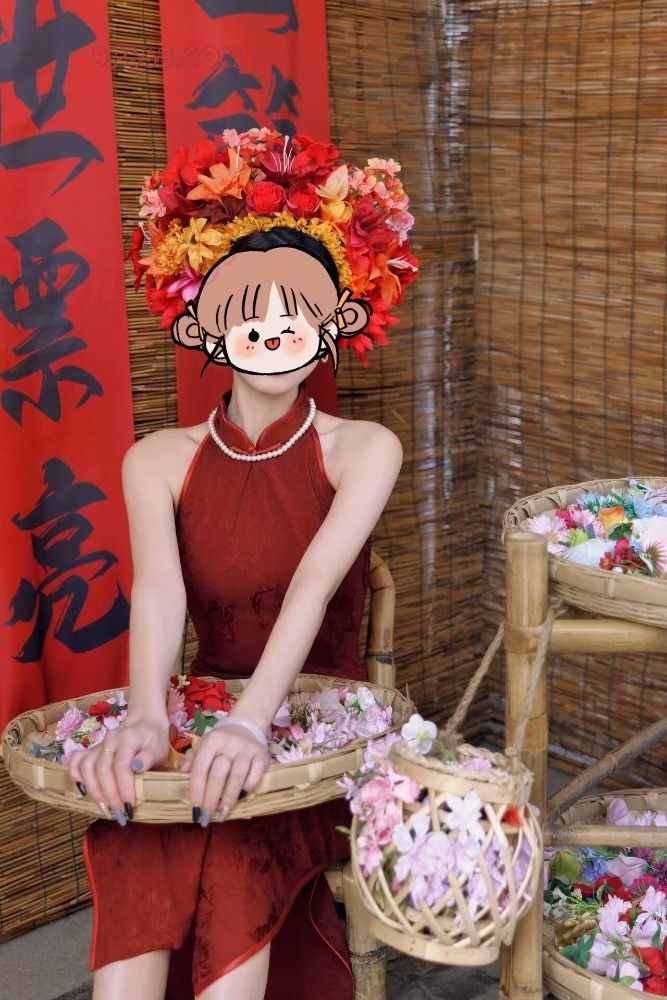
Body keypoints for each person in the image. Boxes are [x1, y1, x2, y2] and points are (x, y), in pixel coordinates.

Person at [67, 130, 418, 1000]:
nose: (271, 333)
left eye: (296, 315)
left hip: (319, 727)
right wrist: (147, 717)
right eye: (246, 316)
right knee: (139, 826)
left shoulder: (364, 448)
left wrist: (254, 724)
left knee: (230, 836)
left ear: (335, 324)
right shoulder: (156, 460)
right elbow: (158, 592)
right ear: (204, 330)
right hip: (205, 708)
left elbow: (312, 586)